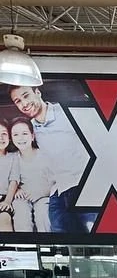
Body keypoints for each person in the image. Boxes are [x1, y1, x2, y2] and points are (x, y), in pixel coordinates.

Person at [7, 85, 92, 233]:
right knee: (60, 240)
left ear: (38, 92)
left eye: (26, 95)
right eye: (18, 101)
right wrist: (16, 187)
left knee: (95, 236)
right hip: (58, 192)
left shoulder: (67, 113)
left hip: (83, 187)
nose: (24, 104)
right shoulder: (30, 128)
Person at [2, 119, 55, 233]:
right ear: (11, 138)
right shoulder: (13, 158)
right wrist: (17, 189)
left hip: (43, 195)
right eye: (16, 135)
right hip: (23, 197)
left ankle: (46, 241)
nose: (20, 138)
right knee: (20, 210)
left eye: (25, 133)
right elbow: (11, 179)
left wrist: (40, 193)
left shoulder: (44, 155)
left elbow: (56, 183)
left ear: (32, 136)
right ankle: (24, 242)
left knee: (42, 212)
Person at [0, 122, 14, 234]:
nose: (1, 138)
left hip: (4, 199)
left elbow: (14, 180)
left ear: (9, 137)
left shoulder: (13, 157)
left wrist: (7, 201)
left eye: (4, 133)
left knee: (4, 219)